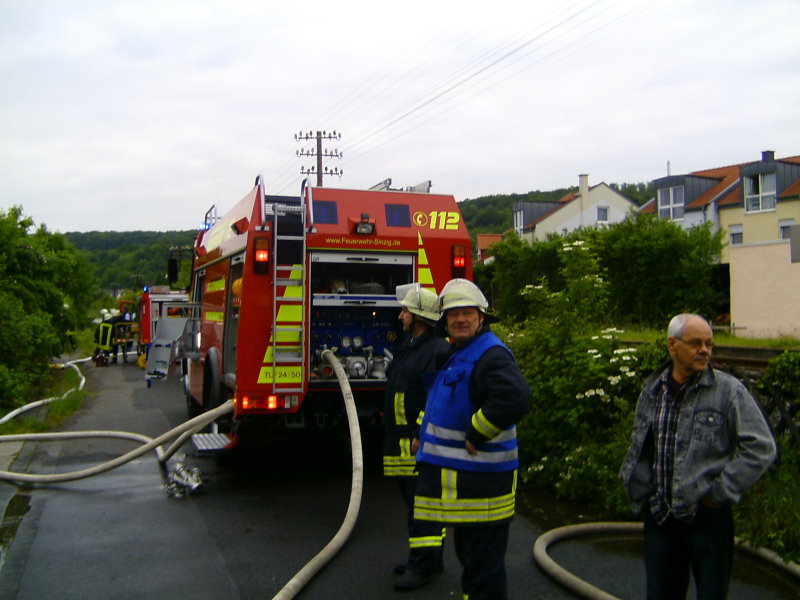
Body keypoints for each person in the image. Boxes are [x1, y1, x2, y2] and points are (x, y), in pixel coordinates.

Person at [619, 313, 777, 600]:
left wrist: (720, 491)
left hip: (707, 518)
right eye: (695, 343)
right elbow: (641, 445)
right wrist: (642, 491)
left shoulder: (728, 392)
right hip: (661, 516)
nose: (705, 350)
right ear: (672, 346)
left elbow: (762, 447)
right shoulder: (653, 389)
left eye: (709, 344)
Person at [413, 278, 530, 600]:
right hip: (470, 491)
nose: (460, 319)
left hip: (484, 491)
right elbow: (444, 403)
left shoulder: (490, 355)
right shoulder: (461, 352)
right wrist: (420, 433)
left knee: (483, 571)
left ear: (481, 318)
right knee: (473, 565)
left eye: (467, 313)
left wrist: (478, 431)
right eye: (453, 314)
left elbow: (515, 398)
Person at [384, 283, 451, 591]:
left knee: (423, 506)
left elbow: (435, 398)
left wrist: (418, 433)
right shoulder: (414, 345)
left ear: (418, 317)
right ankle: (422, 558)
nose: (400, 316)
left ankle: (423, 567)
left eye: (405, 311)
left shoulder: (436, 351)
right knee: (413, 505)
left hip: (417, 442)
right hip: (402, 441)